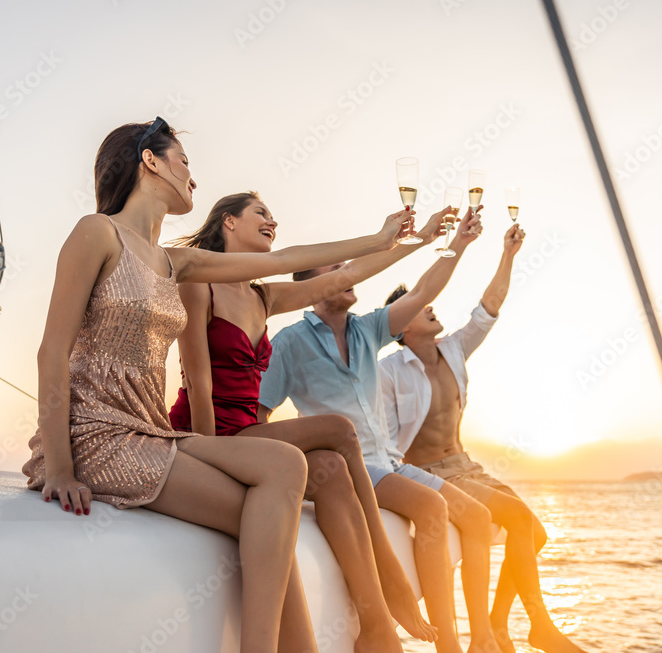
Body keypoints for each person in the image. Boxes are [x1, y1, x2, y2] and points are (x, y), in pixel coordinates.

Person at [21, 117, 405, 653]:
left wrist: (381, 239)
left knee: (283, 477)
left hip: (147, 432)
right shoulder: (97, 233)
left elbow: (295, 262)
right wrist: (60, 468)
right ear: (150, 161)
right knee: (272, 507)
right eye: (183, 160)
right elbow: (51, 352)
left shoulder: (174, 262)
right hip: (96, 436)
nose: (193, 178)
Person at [167, 191, 450, 651]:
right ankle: (391, 583)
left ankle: (375, 626)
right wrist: (207, 454)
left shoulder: (263, 296)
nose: (271, 220)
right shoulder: (199, 282)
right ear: (228, 222)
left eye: (274, 215)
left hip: (247, 431)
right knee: (338, 429)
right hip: (210, 434)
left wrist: (420, 239)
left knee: (333, 469)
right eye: (260, 213)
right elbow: (198, 382)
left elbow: (353, 271)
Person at [259, 208, 507, 653]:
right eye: (335, 269)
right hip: (347, 471)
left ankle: (475, 638)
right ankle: (447, 643)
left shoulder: (368, 329)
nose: (348, 274)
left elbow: (427, 289)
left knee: (473, 514)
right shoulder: (289, 343)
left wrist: (459, 244)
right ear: (312, 286)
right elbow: (259, 414)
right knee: (430, 509)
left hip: (387, 461)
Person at [379, 225, 586, 653]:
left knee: (536, 531)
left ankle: (500, 626)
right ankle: (518, 630)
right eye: (417, 306)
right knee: (514, 515)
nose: (430, 306)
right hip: (429, 471)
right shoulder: (388, 372)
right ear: (400, 328)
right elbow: (381, 439)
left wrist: (508, 253)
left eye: (428, 301)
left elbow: (489, 307)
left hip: (466, 465)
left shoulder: (453, 350)